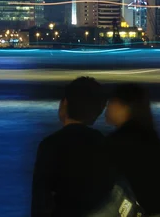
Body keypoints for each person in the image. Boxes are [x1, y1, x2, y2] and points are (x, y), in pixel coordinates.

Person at [31, 77, 117, 217]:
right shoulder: (106, 144)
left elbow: (41, 200)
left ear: (64, 104)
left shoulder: (51, 145)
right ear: (98, 112)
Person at [105, 84, 160, 217]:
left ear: (125, 106)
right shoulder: (152, 140)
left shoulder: (118, 141)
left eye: (111, 103)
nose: (107, 108)